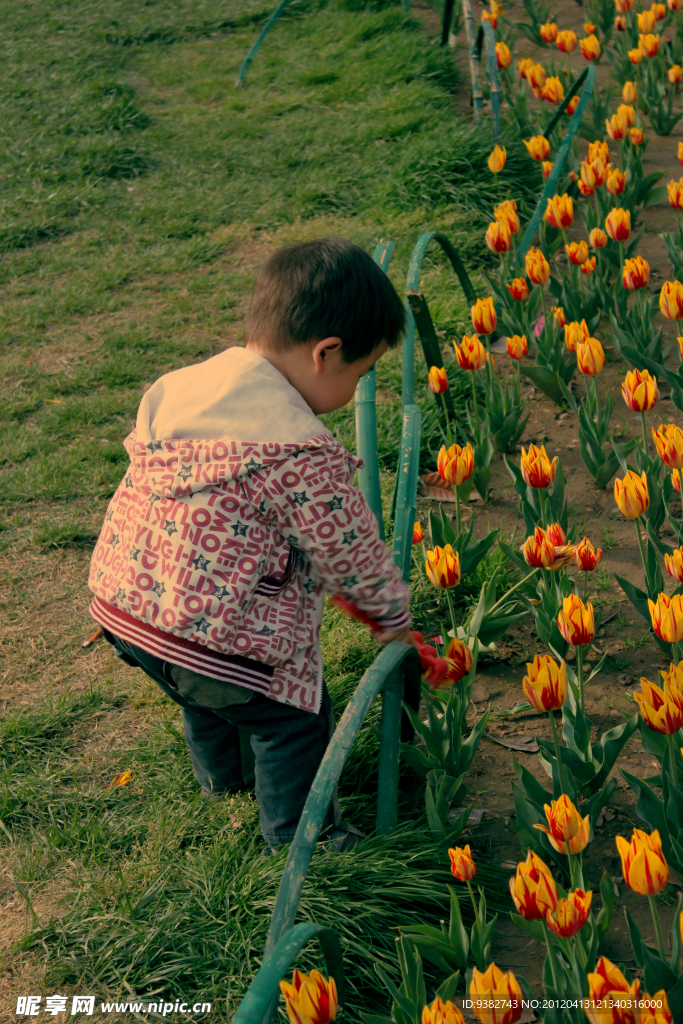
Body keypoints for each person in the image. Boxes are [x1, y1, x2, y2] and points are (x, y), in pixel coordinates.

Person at [87, 236, 414, 851]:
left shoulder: (183, 390)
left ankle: (223, 783)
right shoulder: (295, 450)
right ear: (327, 353)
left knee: (206, 694)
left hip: (126, 607)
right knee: (292, 719)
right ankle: (302, 841)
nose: (355, 393)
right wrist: (392, 620)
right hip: (206, 633)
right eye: (360, 375)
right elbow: (349, 552)